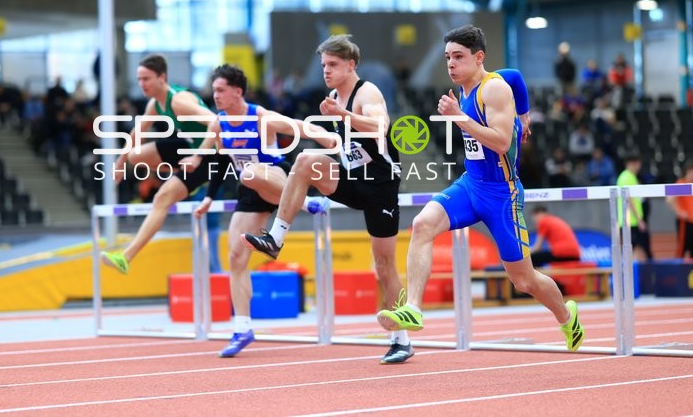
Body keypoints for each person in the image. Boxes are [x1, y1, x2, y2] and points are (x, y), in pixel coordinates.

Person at [376, 24, 585, 352]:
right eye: (448, 57)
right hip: (471, 184)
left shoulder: (494, 90)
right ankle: (414, 308)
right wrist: (525, 115)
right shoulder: (468, 85)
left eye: (458, 57)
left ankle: (566, 315)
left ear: (479, 57)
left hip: (502, 195)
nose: (451, 64)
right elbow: (516, 75)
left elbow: (501, 142)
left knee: (523, 280)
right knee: (422, 224)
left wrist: (459, 117)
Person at [242, 34, 414, 364]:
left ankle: (401, 339)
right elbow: (335, 141)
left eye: (333, 65)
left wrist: (343, 114)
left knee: (384, 264)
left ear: (351, 65)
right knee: (306, 161)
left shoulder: (367, 92)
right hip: (351, 179)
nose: (326, 71)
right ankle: (275, 238)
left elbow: (380, 127)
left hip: (380, 186)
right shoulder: (333, 97)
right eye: (323, 65)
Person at [187, 64, 331, 358]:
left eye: (220, 90)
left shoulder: (260, 117)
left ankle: (304, 202)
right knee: (236, 255)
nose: (215, 96)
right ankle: (242, 328)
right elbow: (220, 162)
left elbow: (300, 127)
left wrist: (329, 139)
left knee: (250, 172)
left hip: (277, 176)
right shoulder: (218, 124)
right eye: (214, 91)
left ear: (237, 91)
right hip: (251, 189)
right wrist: (209, 197)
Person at [100, 54, 219, 274]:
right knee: (134, 156)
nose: (142, 84)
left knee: (161, 198)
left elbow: (217, 121)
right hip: (188, 146)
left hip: (209, 154)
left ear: (162, 78)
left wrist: (197, 157)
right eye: (139, 79)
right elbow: (137, 132)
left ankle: (126, 257)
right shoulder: (156, 104)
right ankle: (182, 175)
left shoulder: (179, 101)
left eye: (146, 78)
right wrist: (120, 162)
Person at [616, 154, 652, 261]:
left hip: (632, 221)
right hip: (631, 222)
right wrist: (639, 219)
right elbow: (629, 200)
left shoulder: (631, 177)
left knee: (638, 249)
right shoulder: (626, 177)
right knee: (636, 250)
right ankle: (635, 271)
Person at [666, 161, 693, 258]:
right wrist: (679, 212)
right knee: (682, 248)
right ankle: (679, 266)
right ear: (687, 171)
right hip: (685, 222)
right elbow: (669, 198)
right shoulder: (681, 183)